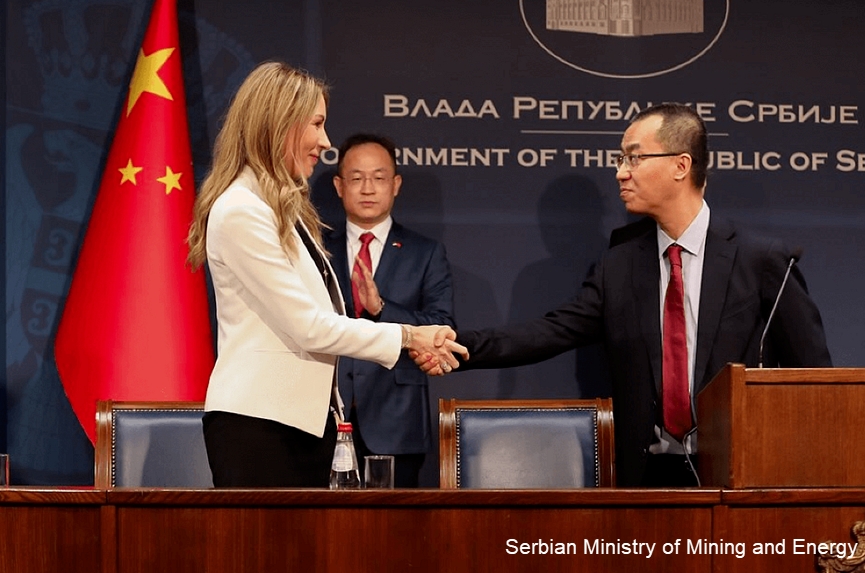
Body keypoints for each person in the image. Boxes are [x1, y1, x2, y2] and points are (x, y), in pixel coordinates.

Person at [417, 103, 832, 487]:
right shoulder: (621, 262)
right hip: (647, 477)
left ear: (680, 165)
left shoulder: (761, 260)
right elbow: (550, 331)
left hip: (740, 475)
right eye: (621, 159)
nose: (620, 172)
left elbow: (817, 381)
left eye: (634, 158)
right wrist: (458, 345)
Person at [185, 61, 467, 488]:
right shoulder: (242, 210)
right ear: (280, 122)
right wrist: (409, 336)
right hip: (261, 426)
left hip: (301, 424)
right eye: (316, 124)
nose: (325, 141)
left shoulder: (281, 208)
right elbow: (310, 328)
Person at [324, 133, 455, 487]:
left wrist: (382, 308)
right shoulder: (316, 248)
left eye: (379, 178)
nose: (368, 188)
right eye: (356, 178)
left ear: (395, 184)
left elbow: (441, 326)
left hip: (395, 420)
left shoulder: (425, 252)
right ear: (339, 186)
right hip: (323, 417)